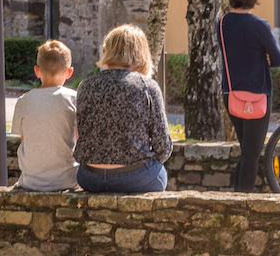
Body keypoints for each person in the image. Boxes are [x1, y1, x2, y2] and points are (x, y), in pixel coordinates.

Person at [74, 25, 172, 193]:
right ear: (141, 52)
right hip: (135, 176)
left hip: (89, 176)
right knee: (160, 174)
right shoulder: (147, 86)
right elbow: (163, 146)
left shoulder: (86, 85)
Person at [216, 0, 280, 192]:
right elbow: (278, 60)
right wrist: (264, 55)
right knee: (252, 154)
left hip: (231, 93)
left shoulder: (222, 23)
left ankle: (237, 198)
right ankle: (242, 203)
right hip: (257, 95)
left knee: (246, 151)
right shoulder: (260, 25)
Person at [11, 39, 79, 191]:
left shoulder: (24, 101)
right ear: (69, 72)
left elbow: (24, 139)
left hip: (31, 182)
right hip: (68, 180)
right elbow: (80, 141)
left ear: (37, 70)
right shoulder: (74, 99)